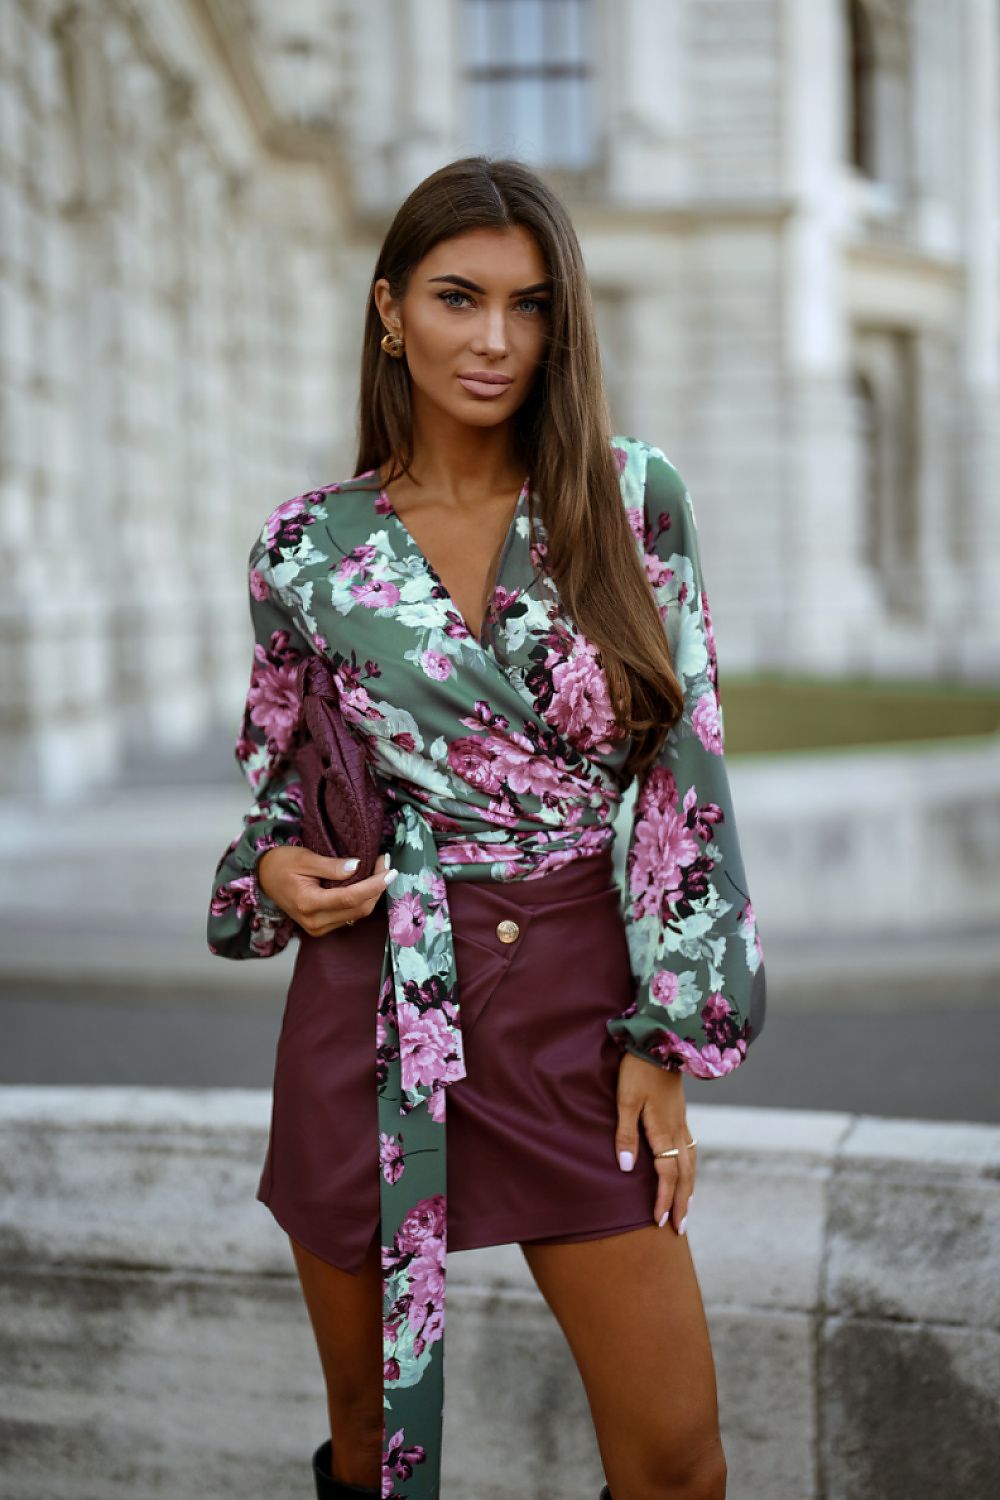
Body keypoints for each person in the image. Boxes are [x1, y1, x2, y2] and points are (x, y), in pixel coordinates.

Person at [207, 155, 766, 1500]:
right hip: (371, 1008)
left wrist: (667, 1039)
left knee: (677, 1459)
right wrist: (274, 868)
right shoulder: (306, 549)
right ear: (391, 310)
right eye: (459, 297)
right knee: (370, 1446)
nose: (497, 340)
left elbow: (685, 771)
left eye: (531, 305)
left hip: (578, 1011)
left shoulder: (629, 500)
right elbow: (282, 786)